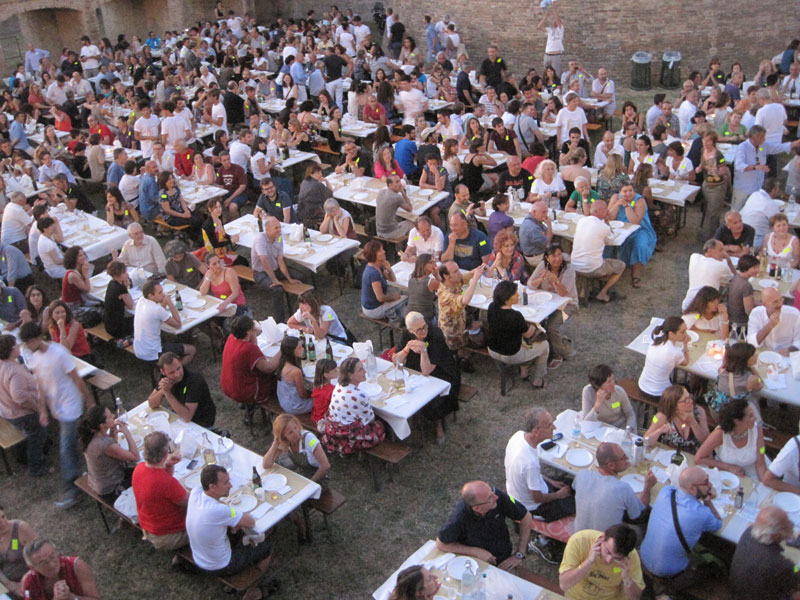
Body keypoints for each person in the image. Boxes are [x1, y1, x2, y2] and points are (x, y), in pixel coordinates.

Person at [19, 322, 94, 509]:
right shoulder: (34, 356)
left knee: (65, 448)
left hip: (70, 405)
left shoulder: (59, 353)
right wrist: (43, 409)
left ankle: (72, 491)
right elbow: (40, 384)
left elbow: (76, 378)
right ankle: (88, 473)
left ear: (38, 338)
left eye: (29, 342)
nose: (27, 346)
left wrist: (89, 401)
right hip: (57, 408)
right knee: (75, 444)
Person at [185, 465, 272, 599]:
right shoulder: (218, 510)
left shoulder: (196, 493)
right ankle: (254, 589)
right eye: (226, 482)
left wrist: (233, 519)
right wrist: (234, 515)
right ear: (212, 486)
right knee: (266, 546)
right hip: (222, 565)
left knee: (236, 532)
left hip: (199, 558)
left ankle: (230, 585)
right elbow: (250, 522)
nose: (230, 485)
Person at [639, 467, 722, 595]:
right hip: (667, 571)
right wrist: (708, 501)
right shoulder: (702, 513)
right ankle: (668, 590)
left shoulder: (666, 491)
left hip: (643, 557)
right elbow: (718, 524)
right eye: (706, 482)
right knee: (710, 567)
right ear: (692, 489)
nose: (710, 485)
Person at [394, 312, 461, 444]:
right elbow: (396, 360)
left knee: (432, 399)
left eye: (424, 326)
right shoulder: (406, 334)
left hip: (441, 372)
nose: (424, 330)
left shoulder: (435, 334)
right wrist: (407, 348)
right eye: (419, 329)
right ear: (411, 330)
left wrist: (424, 351)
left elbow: (427, 370)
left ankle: (438, 424)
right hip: (416, 371)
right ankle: (411, 418)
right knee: (403, 390)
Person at [436, 480, 532, 571]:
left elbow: (526, 516)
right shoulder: (459, 519)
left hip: (503, 557)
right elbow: (441, 544)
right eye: (490, 498)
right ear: (477, 508)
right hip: (475, 563)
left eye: (492, 491)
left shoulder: (497, 495)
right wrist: (475, 551)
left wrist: (519, 553)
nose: (496, 497)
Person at [505, 407, 575, 527]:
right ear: (536, 431)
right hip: (533, 507)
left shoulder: (518, 436)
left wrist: (552, 482)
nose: (554, 428)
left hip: (522, 491)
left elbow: (529, 475)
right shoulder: (530, 463)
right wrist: (558, 495)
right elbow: (537, 498)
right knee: (577, 501)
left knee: (572, 484)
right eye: (549, 426)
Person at [573, 442, 656, 532]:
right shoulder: (623, 488)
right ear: (611, 465)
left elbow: (576, 487)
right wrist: (647, 487)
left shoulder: (581, 474)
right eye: (623, 457)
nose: (627, 459)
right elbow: (639, 514)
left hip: (578, 536)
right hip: (605, 540)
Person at [0, 335, 48, 478]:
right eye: (15, 345)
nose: (18, 346)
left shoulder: (3, 364)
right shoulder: (14, 372)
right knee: (37, 437)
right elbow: (20, 398)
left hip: (6, 411)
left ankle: (23, 455)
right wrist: (39, 409)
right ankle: (35, 467)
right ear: (10, 350)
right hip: (22, 414)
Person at [132, 431, 188, 551]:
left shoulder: (139, 468)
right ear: (165, 453)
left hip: (148, 526)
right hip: (168, 536)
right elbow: (191, 503)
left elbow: (161, 487)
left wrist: (167, 465)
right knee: (207, 522)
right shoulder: (166, 483)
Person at [487, 280, 549, 388]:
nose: (518, 295)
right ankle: (538, 380)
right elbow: (528, 334)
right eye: (515, 293)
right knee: (544, 345)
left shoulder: (492, 307)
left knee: (524, 343)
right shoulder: (515, 316)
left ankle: (524, 371)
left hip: (492, 350)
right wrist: (533, 325)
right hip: (511, 355)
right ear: (507, 299)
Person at [730, 506, 800, 600]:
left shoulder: (749, 532)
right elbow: (795, 573)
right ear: (776, 535)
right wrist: (796, 568)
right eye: (788, 524)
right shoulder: (780, 563)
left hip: (738, 590)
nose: (792, 526)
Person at [558, 524, 645, 600]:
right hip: (576, 597)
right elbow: (564, 585)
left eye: (617, 558)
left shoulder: (632, 558)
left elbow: (635, 597)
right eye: (607, 552)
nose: (608, 560)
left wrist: (627, 578)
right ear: (603, 537)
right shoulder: (579, 541)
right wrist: (588, 562)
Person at [321, 357, 386, 454]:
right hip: (347, 435)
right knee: (380, 426)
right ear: (350, 375)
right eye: (360, 370)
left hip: (333, 429)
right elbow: (370, 419)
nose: (365, 371)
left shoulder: (338, 386)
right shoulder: (359, 395)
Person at [77, 404, 139, 502]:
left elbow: (111, 447)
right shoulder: (103, 444)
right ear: (102, 425)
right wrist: (127, 433)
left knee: (138, 470)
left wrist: (113, 432)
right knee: (145, 474)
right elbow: (135, 457)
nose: (114, 416)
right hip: (111, 488)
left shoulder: (91, 435)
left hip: (99, 481)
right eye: (110, 417)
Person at [695, 399, 766, 480]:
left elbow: (761, 460)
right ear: (737, 421)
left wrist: (764, 481)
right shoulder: (720, 434)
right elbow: (699, 458)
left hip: (753, 473)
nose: (755, 418)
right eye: (750, 416)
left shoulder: (757, 430)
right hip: (726, 475)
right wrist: (728, 467)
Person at [251, 216, 304, 323]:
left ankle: (298, 311)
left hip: (275, 268)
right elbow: (264, 261)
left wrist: (289, 278)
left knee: (300, 277)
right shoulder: (260, 239)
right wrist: (275, 280)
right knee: (277, 289)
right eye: (276, 228)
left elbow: (280, 260)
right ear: (267, 229)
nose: (279, 230)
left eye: (280, 227)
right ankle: (280, 321)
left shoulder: (279, 238)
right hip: (261, 273)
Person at [571, 200, 625, 303]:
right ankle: (602, 293)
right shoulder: (603, 226)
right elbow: (611, 238)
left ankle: (584, 291)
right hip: (592, 268)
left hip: (575, 265)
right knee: (621, 265)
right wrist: (607, 221)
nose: (607, 211)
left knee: (591, 256)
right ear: (599, 211)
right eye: (605, 209)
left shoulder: (582, 220)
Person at [606, 184, 657, 288]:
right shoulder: (615, 197)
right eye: (625, 191)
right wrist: (617, 204)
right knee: (606, 240)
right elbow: (609, 217)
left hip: (639, 229)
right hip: (619, 228)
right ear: (620, 192)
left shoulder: (639, 201)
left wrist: (626, 206)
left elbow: (635, 222)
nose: (628, 194)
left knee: (640, 245)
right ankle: (607, 268)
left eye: (630, 190)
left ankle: (635, 275)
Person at [133, 280, 195, 364]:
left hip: (139, 349)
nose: (163, 294)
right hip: (152, 353)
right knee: (192, 350)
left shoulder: (141, 301)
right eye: (160, 293)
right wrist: (170, 303)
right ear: (151, 295)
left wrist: (164, 304)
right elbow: (178, 324)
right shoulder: (156, 309)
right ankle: (174, 369)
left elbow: (158, 314)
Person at [147, 352, 215, 428]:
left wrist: (167, 393)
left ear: (180, 362)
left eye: (178, 368)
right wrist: (162, 390)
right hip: (180, 415)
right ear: (163, 372)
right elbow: (151, 404)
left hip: (201, 421)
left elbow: (187, 417)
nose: (177, 374)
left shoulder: (194, 380)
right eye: (171, 372)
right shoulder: (164, 379)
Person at [21, 539, 100, 600]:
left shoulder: (77, 566)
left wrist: (72, 598)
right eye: (43, 563)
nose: (51, 565)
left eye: (52, 557)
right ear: (32, 568)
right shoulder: (29, 582)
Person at [643, 384, 709, 453]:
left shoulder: (699, 412)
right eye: (685, 400)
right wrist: (660, 430)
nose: (691, 401)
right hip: (668, 455)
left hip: (694, 456)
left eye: (690, 397)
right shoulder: (659, 417)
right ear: (674, 405)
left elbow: (706, 441)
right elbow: (646, 440)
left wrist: (693, 422)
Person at [638, 315, 691, 397]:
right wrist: (685, 344)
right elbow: (686, 362)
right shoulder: (675, 352)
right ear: (671, 334)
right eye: (682, 332)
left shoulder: (655, 341)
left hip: (642, 385)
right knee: (687, 387)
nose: (685, 334)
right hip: (658, 393)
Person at [680, 239, 734, 311]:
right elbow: (733, 278)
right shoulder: (722, 265)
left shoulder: (694, 257)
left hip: (687, 304)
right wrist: (728, 259)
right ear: (710, 250)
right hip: (704, 309)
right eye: (720, 250)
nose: (723, 253)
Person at [361, 240, 406, 321]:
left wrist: (389, 269)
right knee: (407, 298)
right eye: (381, 250)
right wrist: (393, 297)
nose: (384, 252)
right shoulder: (373, 273)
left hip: (376, 305)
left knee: (402, 297)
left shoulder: (378, 266)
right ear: (374, 254)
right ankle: (398, 320)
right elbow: (380, 298)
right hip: (374, 309)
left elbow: (392, 279)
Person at [581, 365, 637, 430]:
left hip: (619, 428)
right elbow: (586, 422)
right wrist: (597, 405)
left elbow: (630, 414)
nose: (613, 383)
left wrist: (628, 430)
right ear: (598, 386)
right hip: (599, 428)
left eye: (613, 379)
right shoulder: (588, 392)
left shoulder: (619, 392)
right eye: (609, 382)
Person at [747, 287, 800, 355]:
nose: (780, 304)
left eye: (781, 299)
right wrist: (770, 325)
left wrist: (790, 350)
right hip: (765, 353)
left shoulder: (794, 314)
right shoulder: (756, 313)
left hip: (786, 355)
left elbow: (798, 340)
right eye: (775, 302)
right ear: (764, 304)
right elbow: (752, 342)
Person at [0, 506, 36, 598]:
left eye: (3, 517)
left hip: (30, 577)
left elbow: (39, 556)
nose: (3, 523)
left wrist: (26, 581)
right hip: (6, 582)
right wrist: (9, 585)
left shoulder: (20, 528)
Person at [740, 178, 782, 250]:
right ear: (773, 190)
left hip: (742, 235)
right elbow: (779, 222)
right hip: (756, 241)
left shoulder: (754, 194)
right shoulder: (770, 204)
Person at [275, 335, 312, 416]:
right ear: (291, 351)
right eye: (299, 348)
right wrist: (311, 395)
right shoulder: (295, 371)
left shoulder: (282, 362)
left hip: (283, 399)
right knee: (322, 400)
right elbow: (303, 394)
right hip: (294, 406)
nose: (303, 349)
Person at [727, 255, 760, 333]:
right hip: (741, 322)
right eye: (754, 268)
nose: (757, 270)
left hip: (731, 317)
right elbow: (749, 311)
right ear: (745, 268)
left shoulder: (735, 278)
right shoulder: (746, 286)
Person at [297, 164, 333, 229]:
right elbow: (330, 194)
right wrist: (326, 181)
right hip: (315, 214)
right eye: (318, 173)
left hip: (303, 213)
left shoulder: (304, 182)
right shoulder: (318, 185)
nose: (321, 175)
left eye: (321, 172)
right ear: (311, 174)